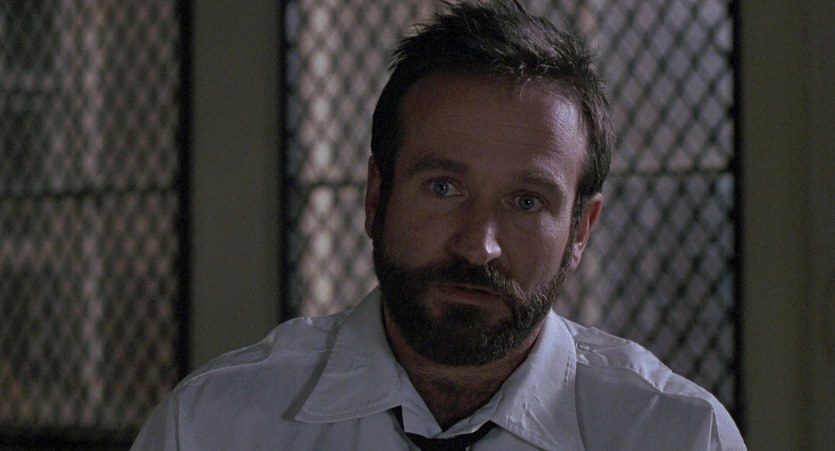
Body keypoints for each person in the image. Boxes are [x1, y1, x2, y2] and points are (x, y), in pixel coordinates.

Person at [132, 1, 746, 449]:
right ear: (376, 197)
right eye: (444, 188)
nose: (479, 246)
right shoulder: (213, 426)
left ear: (581, 230)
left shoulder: (679, 435)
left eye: (526, 202)